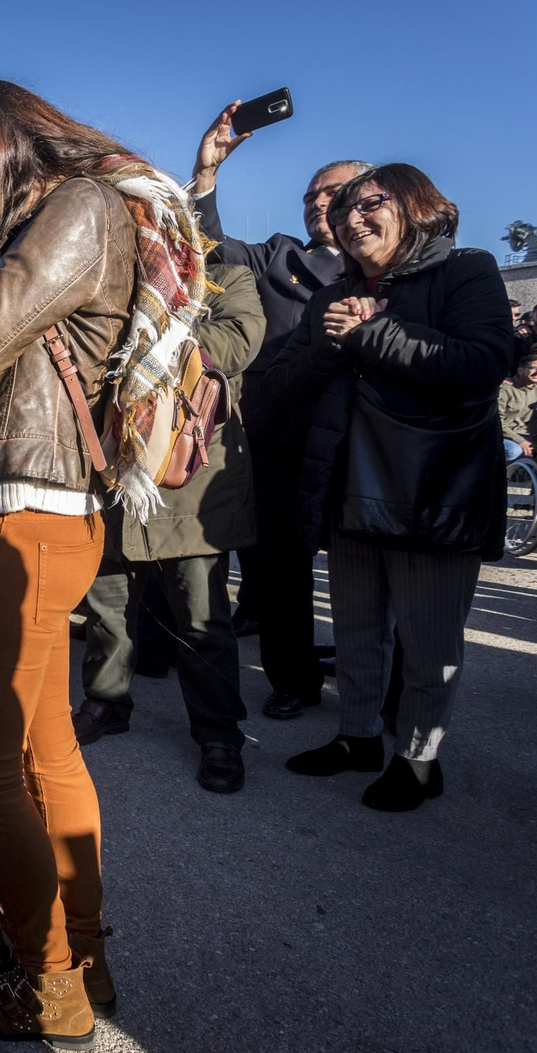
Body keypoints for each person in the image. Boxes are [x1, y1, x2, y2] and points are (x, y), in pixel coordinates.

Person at [0, 80, 209, 1045]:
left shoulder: (73, 210)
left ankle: (45, 986)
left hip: (15, 516)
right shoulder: (80, 211)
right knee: (45, 750)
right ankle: (83, 952)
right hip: (42, 517)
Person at [266, 164, 513, 811]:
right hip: (349, 498)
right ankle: (357, 738)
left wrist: (372, 333)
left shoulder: (468, 271)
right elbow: (286, 385)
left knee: (430, 647)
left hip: (433, 498)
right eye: (342, 211)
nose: (351, 219)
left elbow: (485, 362)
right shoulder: (332, 298)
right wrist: (327, 342)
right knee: (355, 631)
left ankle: (420, 761)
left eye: (369, 203)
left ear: (415, 206)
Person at [189, 100, 371, 720]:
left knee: (368, 572)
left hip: (365, 440)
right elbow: (209, 247)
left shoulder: (393, 272)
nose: (318, 204)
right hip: (281, 436)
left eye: (335, 193)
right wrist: (206, 174)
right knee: (282, 569)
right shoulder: (277, 256)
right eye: (310, 196)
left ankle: (377, 684)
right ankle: (292, 677)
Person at [71, 263, 265, 793]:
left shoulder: (227, 276)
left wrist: (147, 328)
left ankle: (219, 732)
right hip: (113, 473)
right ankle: (105, 702)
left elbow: (235, 343)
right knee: (106, 608)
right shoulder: (109, 277)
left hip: (189, 480)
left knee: (202, 618)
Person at [499, 351, 537, 461]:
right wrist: (520, 441)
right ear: (520, 370)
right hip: (506, 436)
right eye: (533, 368)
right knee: (514, 451)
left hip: (529, 435)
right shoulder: (505, 389)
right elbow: (497, 420)